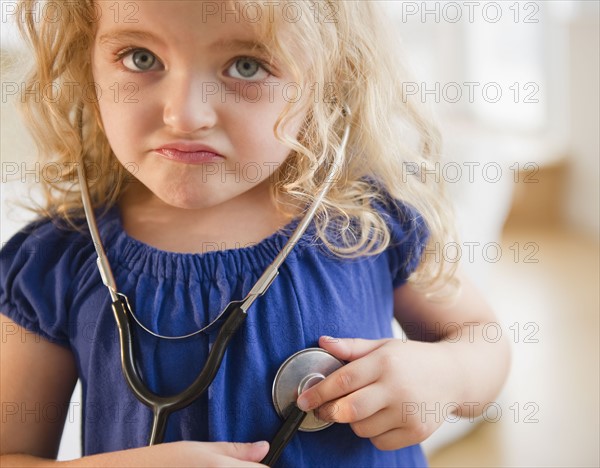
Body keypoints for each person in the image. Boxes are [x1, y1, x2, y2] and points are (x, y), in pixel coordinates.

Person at [0, 1, 511, 467]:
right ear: (84, 64)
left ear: (329, 78)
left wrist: (446, 376)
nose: (185, 114)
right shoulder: (52, 264)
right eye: (139, 57)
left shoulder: (367, 222)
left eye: (247, 65)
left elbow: (481, 341)